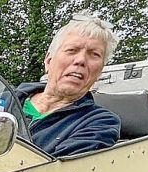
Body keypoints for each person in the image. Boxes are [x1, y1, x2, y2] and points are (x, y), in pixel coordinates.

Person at [14, 13, 120, 157]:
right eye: (72, 50)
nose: (81, 60)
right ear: (48, 61)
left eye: (94, 54)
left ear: (100, 72)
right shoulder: (4, 100)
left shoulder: (100, 122)